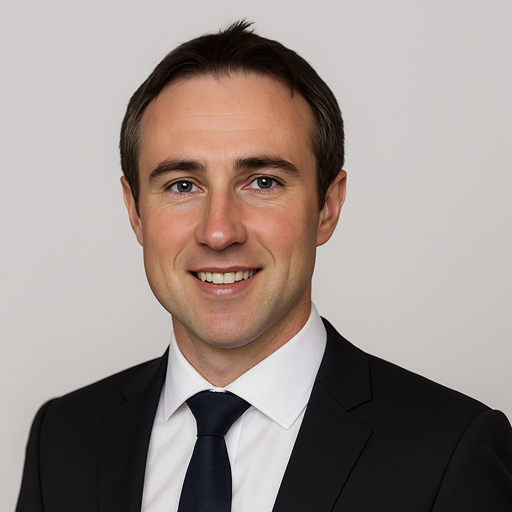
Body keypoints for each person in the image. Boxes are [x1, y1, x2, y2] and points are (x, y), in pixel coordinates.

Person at [16, 20, 512, 512]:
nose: (219, 232)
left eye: (263, 182)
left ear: (327, 206)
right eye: (183, 185)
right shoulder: (61, 439)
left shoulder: (449, 452)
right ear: (135, 211)